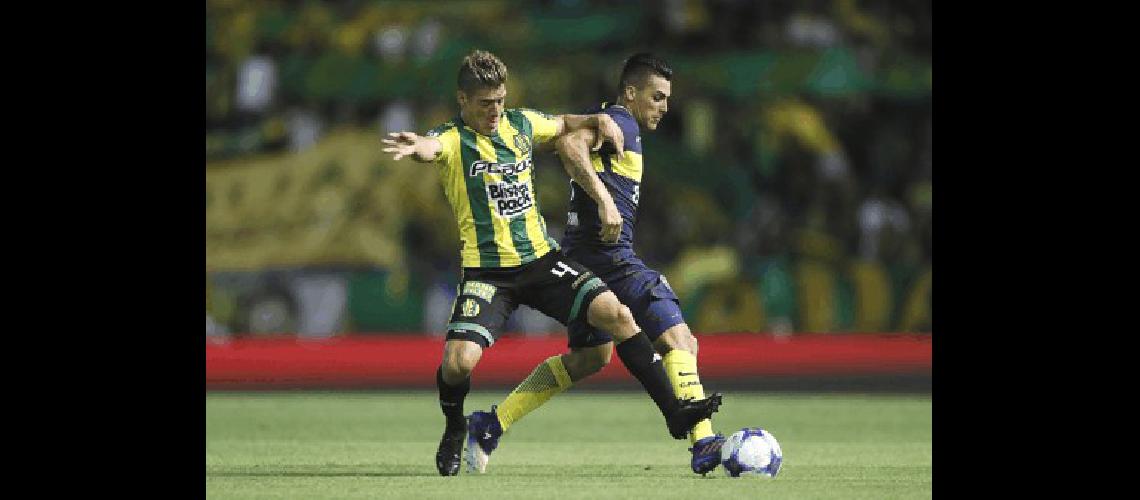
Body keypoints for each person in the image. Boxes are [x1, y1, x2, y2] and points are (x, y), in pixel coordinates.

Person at [380, 50, 722, 477]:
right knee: (459, 363)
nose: (495, 111)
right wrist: (418, 146)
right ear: (463, 101)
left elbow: (561, 125)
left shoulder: (520, 124)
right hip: (488, 274)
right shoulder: (452, 138)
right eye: (485, 104)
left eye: (500, 101)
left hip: (543, 261)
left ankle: (677, 415)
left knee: (612, 323)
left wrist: (594, 120)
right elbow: (434, 147)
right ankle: (455, 426)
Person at [554, 52, 728, 475]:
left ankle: (492, 423)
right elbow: (567, 143)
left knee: (589, 360)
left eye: (667, 98)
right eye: (657, 96)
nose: (665, 107)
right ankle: (703, 441)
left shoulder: (616, 123)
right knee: (681, 340)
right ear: (631, 93)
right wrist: (604, 200)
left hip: (585, 259)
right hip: (610, 261)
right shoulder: (621, 122)